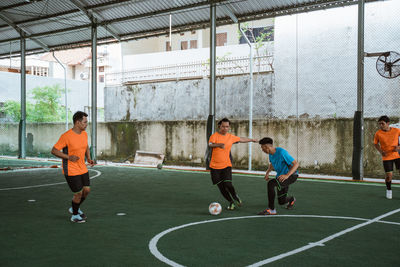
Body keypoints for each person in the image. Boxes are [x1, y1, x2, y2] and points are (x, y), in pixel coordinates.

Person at [51, 111, 94, 223]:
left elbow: (86, 147)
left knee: (87, 190)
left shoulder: (84, 134)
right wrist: (68, 157)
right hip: (70, 169)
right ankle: (75, 215)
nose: (86, 124)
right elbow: (54, 150)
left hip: (82, 167)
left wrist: (89, 158)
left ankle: (74, 208)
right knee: (78, 193)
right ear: (78, 122)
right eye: (85, 122)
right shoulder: (66, 136)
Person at [208, 118, 258, 210]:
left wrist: (251, 140)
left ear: (229, 127)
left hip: (226, 165)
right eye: (223, 126)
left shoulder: (230, 137)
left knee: (228, 184)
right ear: (219, 126)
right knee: (221, 187)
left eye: (227, 127)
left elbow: (241, 139)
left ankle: (235, 196)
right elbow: (210, 144)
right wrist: (219, 145)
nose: (225, 128)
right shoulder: (214, 136)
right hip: (214, 167)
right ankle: (231, 202)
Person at [257, 137, 299, 215]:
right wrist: (267, 173)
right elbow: (272, 164)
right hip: (281, 177)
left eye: (262, 148)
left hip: (291, 175)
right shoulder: (270, 154)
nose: (262, 150)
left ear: (267, 147)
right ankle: (291, 199)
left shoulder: (282, 152)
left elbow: (296, 164)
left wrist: (287, 175)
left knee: (271, 184)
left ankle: (272, 209)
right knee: (281, 201)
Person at [373, 115, 400, 199]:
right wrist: (381, 152)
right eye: (379, 124)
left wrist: (399, 147)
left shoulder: (396, 131)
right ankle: (389, 190)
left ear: (388, 123)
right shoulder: (378, 133)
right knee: (389, 176)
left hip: (397, 155)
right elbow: (375, 144)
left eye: (382, 124)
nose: (381, 125)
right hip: (387, 157)